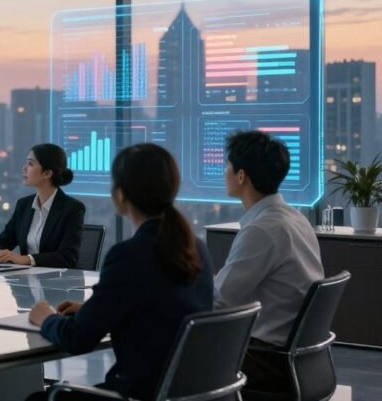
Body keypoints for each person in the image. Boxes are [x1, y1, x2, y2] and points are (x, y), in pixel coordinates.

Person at [26, 144, 213, 401]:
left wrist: (45, 318)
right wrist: (95, 310)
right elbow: (162, 307)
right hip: (185, 391)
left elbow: (78, 339)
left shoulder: (129, 255)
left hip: (138, 393)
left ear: (121, 195)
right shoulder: (196, 247)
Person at [214, 130, 324, 394]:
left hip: (266, 359)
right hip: (297, 358)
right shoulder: (294, 219)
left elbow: (220, 300)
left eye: (227, 165)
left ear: (241, 176)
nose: (224, 172)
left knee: (172, 351)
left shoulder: (262, 230)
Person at [0, 143, 85, 268]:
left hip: (57, 282)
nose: (24, 168)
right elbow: (2, 242)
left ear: (47, 173)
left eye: (30, 164)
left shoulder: (72, 209)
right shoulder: (23, 205)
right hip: (25, 280)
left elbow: (67, 257)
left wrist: (26, 259)